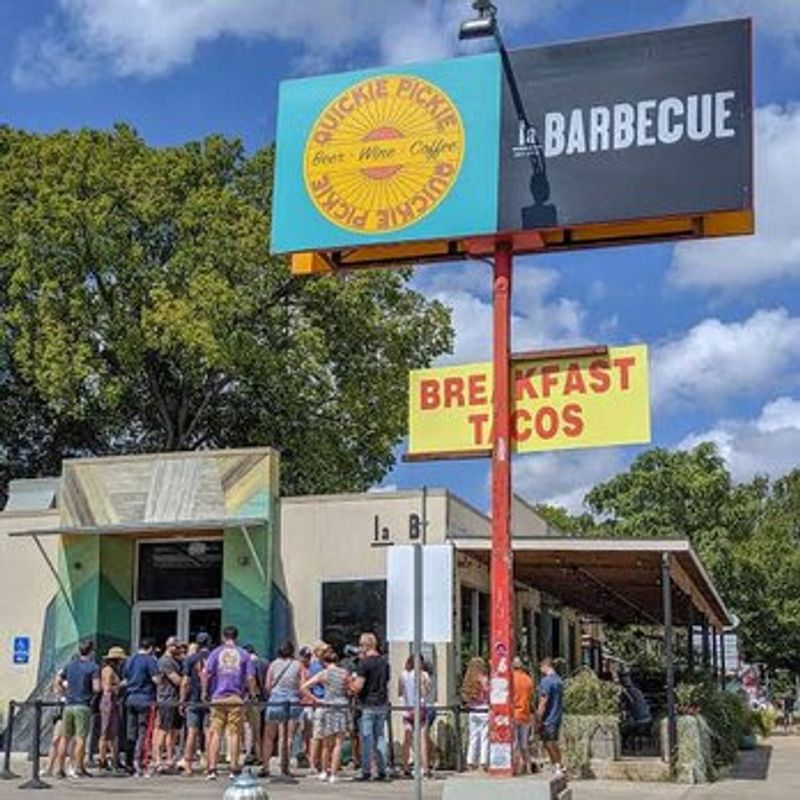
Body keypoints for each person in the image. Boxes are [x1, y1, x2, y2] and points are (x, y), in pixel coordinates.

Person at [203, 625, 256, 781]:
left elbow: (206, 673)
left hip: (218, 696)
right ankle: (233, 767)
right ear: (236, 637)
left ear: (223, 636)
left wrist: (205, 692)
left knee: (215, 733)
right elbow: (250, 678)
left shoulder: (216, 652)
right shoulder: (244, 654)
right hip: (236, 697)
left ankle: (211, 768)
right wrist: (253, 694)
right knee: (234, 734)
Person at [301, 647, 351, 784]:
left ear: (325, 662)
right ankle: (334, 774)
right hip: (341, 707)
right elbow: (350, 690)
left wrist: (316, 700)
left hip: (327, 706)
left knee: (326, 743)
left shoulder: (324, 673)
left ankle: (324, 771)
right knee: (338, 743)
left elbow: (304, 687)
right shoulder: (344, 673)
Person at [53, 639, 100, 778]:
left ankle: (58, 768)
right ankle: (79, 767)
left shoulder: (70, 665)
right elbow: (97, 687)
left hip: (69, 705)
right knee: (81, 738)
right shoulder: (93, 667)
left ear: (79, 651)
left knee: (65, 738)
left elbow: (58, 681)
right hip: (83, 705)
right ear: (91, 651)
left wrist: (63, 692)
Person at [351, 632, 390, 782]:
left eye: (361, 645)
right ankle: (382, 770)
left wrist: (351, 682)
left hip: (367, 704)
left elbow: (358, 686)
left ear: (366, 646)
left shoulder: (364, 663)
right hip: (381, 703)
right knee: (380, 737)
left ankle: (366, 771)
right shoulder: (384, 662)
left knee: (366, 738)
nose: (359, 648)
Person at [261, 640, 304, 777]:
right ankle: (284, 767)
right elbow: (302, 685)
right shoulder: (298, 665)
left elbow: (267, 686)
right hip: (292, 701)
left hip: (275, 701)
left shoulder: (273, 664)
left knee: (268, 736)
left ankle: (265, 766)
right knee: (288, 737)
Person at [123, 637, 159, 776]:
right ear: (150, 648)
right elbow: (156, 679)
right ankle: (139, 763)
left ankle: (129, 762)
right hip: (145, 699)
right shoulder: (150, 660)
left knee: (131, 732)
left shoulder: (130, 660)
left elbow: (125, 679)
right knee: (143, 732)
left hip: (130, 698)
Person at [177, 632, 211, 776]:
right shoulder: (213, 657)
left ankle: (188, 763)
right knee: (209, 732)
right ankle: (210, 764)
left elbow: (185, 682)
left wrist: (181, 700)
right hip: (210, 700)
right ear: (208, 642)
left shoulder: (190, 659)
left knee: (191, 732)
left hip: (192, 699)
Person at [398, 655, 432, 778]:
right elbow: (425, 694)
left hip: (407, 710)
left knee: (407, 740)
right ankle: (425, 768)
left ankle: (405, 767)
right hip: (420, 709)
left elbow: (400, 693)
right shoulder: (424, 675)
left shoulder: (403, 675)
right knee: (423, 739)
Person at [153, 636, 183, 773]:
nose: (178, 649)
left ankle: (170, 759)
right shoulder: (165, 661)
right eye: (175, 647)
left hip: (175, 700)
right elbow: (176, 680)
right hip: (166, 699)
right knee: (163, 730)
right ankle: (158, 759)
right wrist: (188, 682)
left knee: (173, 731)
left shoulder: (175, 661)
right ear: (168, 646)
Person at [98, 646, 126, 772]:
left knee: (113, 731)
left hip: (112, 701)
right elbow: (107, 688)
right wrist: (121, 685)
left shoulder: (109, 670)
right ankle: (103, 759)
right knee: (106, 731)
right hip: (108, 701)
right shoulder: (108, 671)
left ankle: (114, 759)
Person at [536, 657, 565, 778]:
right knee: (554, 741)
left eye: (541, 667)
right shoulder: (559, 680)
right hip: (557, 715)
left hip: (548, 717)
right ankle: (560, 765)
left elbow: (544, 700)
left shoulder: (546, 681)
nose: (540, 670)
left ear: (545, 666)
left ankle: (556, 765)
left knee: (548, 743)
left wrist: (538, 716)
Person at [305, 641, 329, 776]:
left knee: (322, 734)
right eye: (325, 651)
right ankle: (313, 763)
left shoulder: (321, 666)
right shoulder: (316, 667)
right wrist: (316, 699)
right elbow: (306, 686)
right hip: (320, 702)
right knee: (317, 735)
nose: (327, 653)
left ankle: (319, 761)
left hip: (324, 702)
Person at [461, 656, 489, 771]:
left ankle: (470, 761)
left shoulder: (468, 679)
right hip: (484, 709)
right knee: (484, 737)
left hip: (473, 710)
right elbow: (489, 693)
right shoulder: (484, 679)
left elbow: (465, 696)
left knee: (473, 737)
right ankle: (483, 761)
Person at [511, 657, 535, 775]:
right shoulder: (528, 679)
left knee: (514, 744)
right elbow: (530, 698)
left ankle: (517, 769)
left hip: (513, 714)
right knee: (524, 744)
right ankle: (529, 768)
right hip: (525, 714)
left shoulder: (509, 679)